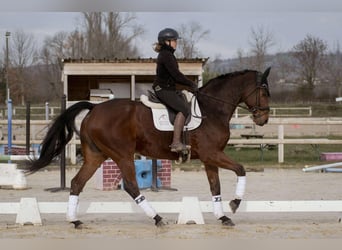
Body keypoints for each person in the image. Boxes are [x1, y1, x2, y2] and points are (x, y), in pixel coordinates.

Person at [152, 28, 198, 153]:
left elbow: (174, 78)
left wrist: (187, 86)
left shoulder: (166, 54)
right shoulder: (167, 55)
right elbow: (176, 75)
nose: (176, 43)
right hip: (163, 89)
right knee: (183, 109)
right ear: (166, 41)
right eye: (174, 41)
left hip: (167, 88)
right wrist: (191, 84)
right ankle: (176, 142)